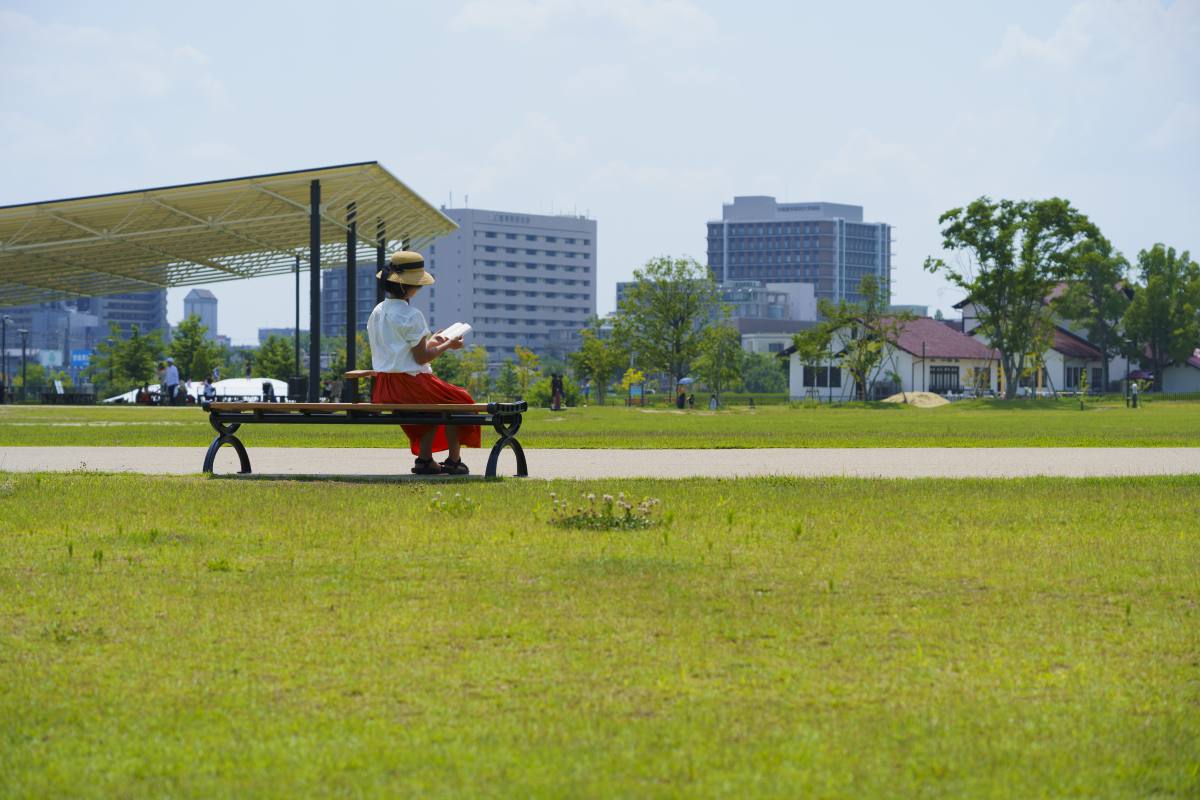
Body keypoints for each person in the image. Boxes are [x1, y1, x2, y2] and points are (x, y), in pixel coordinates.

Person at [367, 250, 477, 475]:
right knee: (460, 400)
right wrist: (447, 344)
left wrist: (433, 341)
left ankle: (425, 460)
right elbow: (421, 357)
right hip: (411, 385)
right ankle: (454, 460)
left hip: (385, 386)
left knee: (435, 407)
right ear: (410, 287)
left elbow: (401, 349)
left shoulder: (377, 311)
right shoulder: (411, 315)